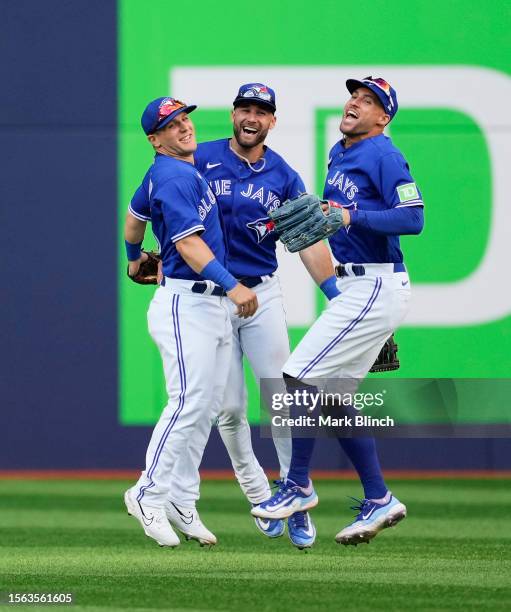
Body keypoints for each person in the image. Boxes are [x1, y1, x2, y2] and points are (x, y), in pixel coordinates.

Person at [129, 84, 337, 549]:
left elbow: (307, 240)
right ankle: (259, 492)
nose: (251, 116)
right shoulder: (193, 158)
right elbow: (142, 203)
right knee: (224, 408)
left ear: (272, 121)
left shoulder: (283, 175)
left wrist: (335, 295)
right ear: (234, 113)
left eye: (261, 111)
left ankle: (295, 491)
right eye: (245, 107)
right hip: (210, 298)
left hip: (259, 293)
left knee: (281, 397)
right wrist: (133, 254)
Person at [252, 77, 424, 546]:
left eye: (369, 101)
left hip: (376, 282)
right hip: (355, 285)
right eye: (355, 95)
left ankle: (297, 485)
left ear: (382, 118)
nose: (355, 102)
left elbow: (414, 218)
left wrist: (350, 216)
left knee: (298, 377)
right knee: (332, 399)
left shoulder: (385, 155)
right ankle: (379, 497)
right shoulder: (339, 152)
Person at [123, 96, 258, 547]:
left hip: (207, 306)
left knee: (207, 405)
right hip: (188, 304)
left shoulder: (169, 172)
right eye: (171, 124)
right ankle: (146, 493)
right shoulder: (175, 175)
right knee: (188, 402)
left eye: (185, 119)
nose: (184, 127)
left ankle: (182, 498)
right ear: (155, 140)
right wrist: (234, 285)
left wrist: (132, 258)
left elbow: (134, 217)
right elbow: (189, 248)